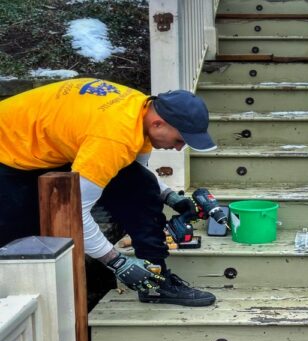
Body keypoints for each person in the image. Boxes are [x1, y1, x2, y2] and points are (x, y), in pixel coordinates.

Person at [0, 77, 217, 306]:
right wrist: (117, 262)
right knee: (20, 245)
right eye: (179, 140)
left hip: (44, 143)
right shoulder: (113, 136)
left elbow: (137, 179)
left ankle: (156, 281)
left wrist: (172, 198)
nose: (179, 148)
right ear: (158, 124)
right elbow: (77, 212)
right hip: (8, 149)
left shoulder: (140, 112)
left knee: (138, 187)